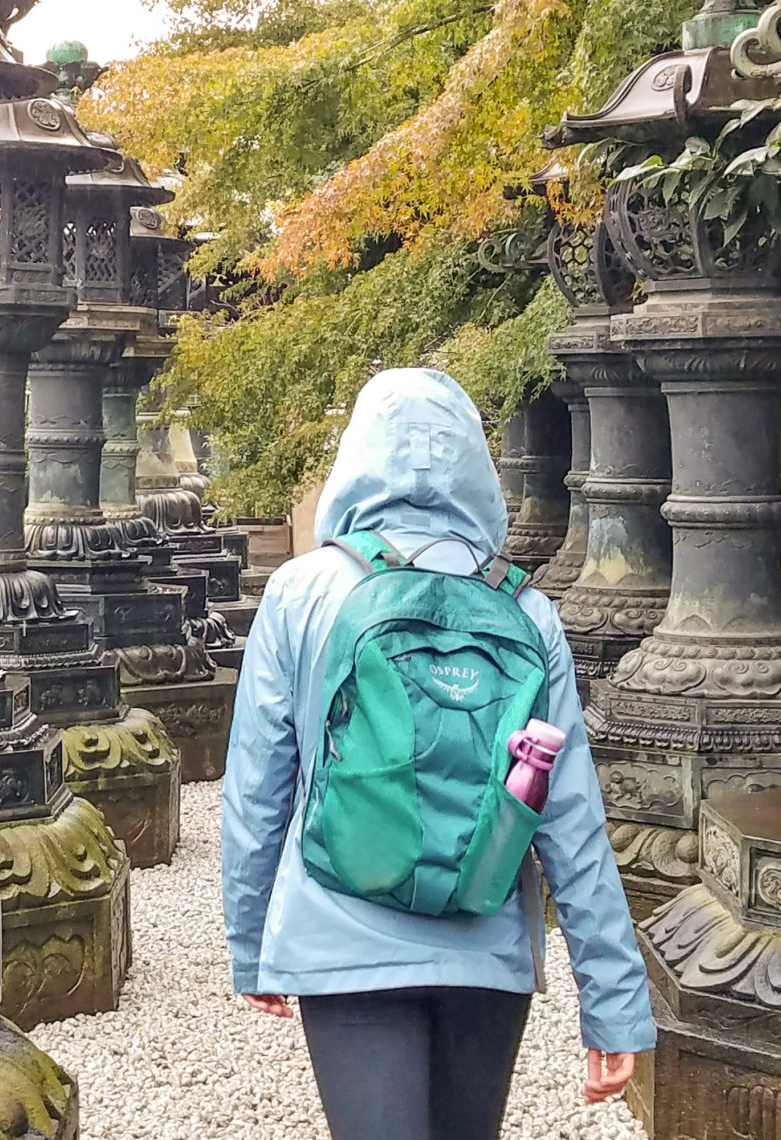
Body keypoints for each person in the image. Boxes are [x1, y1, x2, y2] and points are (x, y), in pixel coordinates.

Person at [221, 368, 655, 1140]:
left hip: (338, 936)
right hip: (484, 944)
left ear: (357, 455)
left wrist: (254, 946)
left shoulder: (300, 591)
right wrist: (614, 1005)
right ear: (476, 470)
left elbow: (257, 791)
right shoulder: (525, 607)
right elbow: (572, 821)